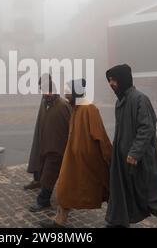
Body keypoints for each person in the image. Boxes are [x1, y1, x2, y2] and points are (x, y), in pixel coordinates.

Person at [105, 64, 157, 228]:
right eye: (109, 80)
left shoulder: (140, 99)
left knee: (151, 199)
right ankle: (115, 224)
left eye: (113, 80)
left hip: (142, 162)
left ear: (123, 79)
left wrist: (134, 153)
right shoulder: (120, 102)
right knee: (122, 196)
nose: (111, 84)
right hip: (124, 162)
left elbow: (147, 128)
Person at [40, 79, 112, 228]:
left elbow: (100, 136)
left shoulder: (89, 109)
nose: (65, 94)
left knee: (107, 189)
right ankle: (59, 221)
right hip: (73, 160)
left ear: (76, 92)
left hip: (88, 162)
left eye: (68, 91)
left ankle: (117, 218)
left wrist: (110, 158)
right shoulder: (75, 108)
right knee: (65, 188)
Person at [25, 74, 72, 212]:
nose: (46, 95)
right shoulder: (46, 105)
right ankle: (67, 197)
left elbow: (71, 127)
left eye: (48, 92)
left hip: (57, 149)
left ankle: (43, 200)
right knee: (55, 175)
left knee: (48, 176)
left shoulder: (63, 105)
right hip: (47, 147)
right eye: (44, 92)